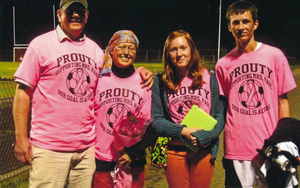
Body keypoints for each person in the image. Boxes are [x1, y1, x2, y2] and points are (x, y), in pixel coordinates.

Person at [12, 0, 153, 187]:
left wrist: (141, 71)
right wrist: (21, 137)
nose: (76, 15)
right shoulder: (40, 44)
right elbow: (23, 93)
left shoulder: (95, 50)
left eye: (80, 11)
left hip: (87, 149)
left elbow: (117, 76)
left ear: (86, 17)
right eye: (70, 10)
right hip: (49, 148)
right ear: (59, 14)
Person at [215, 0, 297, 187]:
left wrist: (283, 140)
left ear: (255, 24)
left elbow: (282, 101)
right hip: (237, 148)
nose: (241, 27)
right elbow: (227, 104)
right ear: (229, 27)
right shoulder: (223, 64)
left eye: (245, 21)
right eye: (236, 22)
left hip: (270, 146)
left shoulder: (274, 56)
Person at [151, 30, 225, 188]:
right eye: (174, 49)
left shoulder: (210, 77)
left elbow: (219, 116)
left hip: (203, 150)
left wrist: (208, 135)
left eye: (183, 48)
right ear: (168, 54)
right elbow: (157, 121)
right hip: (174, 151)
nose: (179, 53)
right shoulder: (160, 81)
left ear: (191, 49)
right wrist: (183, 131)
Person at [93, 30, 154, 188]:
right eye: (121, 47)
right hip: (102, 159)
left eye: (131, 48)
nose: (126, 52)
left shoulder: (144, 83)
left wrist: (132, 153)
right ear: (111, 49)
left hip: (133, 160)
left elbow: (148, 123)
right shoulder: (98, 79)